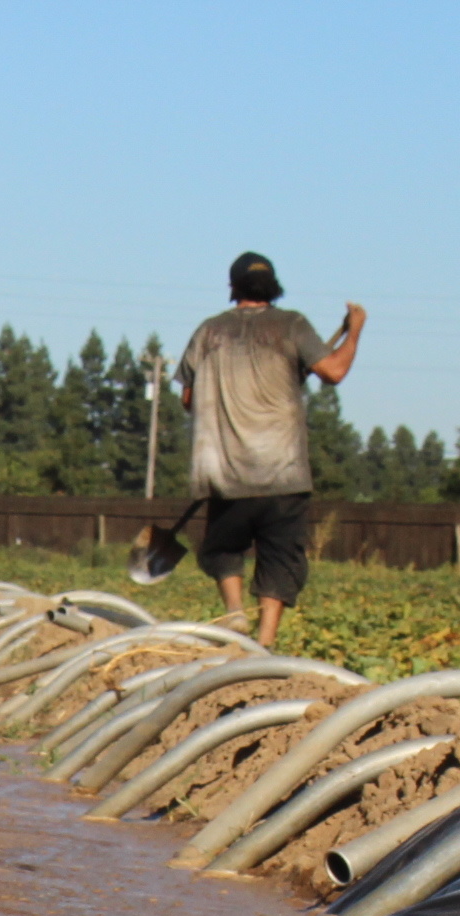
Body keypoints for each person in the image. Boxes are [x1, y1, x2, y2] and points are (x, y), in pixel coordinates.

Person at [173, 254, 363, 646]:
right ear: (273, 287)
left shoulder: (209, 332)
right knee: (280, 555)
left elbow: (188, 399)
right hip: (283, 470)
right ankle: (266, 640)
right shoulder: (292, 325)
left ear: (233, 289)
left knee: (224, 546)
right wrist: (355, 332)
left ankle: (235, 614)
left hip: (227, 471)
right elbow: (334, 371)